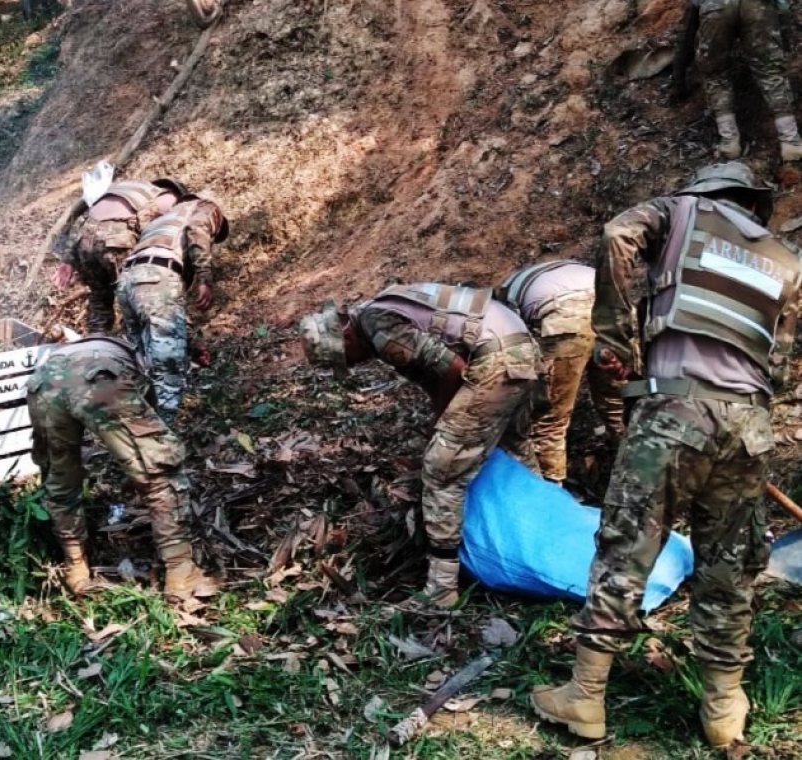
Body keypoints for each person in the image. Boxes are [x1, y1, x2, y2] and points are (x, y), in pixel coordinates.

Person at [531, 162, 800, 748]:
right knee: (731, 566)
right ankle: (724, 706)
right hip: (749, 425)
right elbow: (779, 356)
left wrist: (617, 336)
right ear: (752, 206)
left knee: (627, 548)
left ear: (704, 192)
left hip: (674, 411)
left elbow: (617, 236)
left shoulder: (678, 212)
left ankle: (585, 696)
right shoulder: (784, 259)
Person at [299, 283, 542, 607]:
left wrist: (443, 428)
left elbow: (453, 371)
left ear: (345, 337)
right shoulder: (381, 310)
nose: (352, 365)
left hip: (495, 358)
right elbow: (435, 371)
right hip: (517, 344)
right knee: (513, 447)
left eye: (344, 358)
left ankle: (441, 588)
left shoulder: (377, 327)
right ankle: (542, 528)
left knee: (441, 470)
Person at [26, 335, 219, 601]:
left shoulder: (73, 352)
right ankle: (180, 570)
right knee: (160, 471)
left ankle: (75, 565)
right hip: (100, 377)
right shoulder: (133, 363)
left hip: (44, 382)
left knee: (60, 477)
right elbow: (148, 435)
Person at [495, 261, 625, 483]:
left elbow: (515, 361)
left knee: (548, 421)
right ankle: (628, 471)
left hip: (565, 314)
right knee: (617, 404)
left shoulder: (500, 308)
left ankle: (552, 496)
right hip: (612, 304)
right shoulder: (537, 276)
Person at [116, 193, 228, 424]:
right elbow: (197, 229)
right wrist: (205, 277)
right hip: (157, 275)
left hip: (127, 280)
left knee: (142, 364)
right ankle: (164, 438)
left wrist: (191, 344)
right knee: (168, 369)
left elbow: (165, 308)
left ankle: (136, 429)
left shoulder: (165, 218)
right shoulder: (207, 207)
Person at [51, 178, 188, 334]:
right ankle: (132, 345)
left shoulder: (125, 187)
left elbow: (83, 218)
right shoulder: (168, 197)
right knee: (134, 294)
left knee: (99, 297)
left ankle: (97, 342)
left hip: (83, 239)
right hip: (116, 238)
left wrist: (68, 259)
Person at [689, 0, 802, 161]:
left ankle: (729, 142)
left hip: (717, 6)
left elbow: (694, 7)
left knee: (715, 73)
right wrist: (784, 36)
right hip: (758, 6)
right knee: (770, 72)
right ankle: (791, 141)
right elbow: (783, 6)